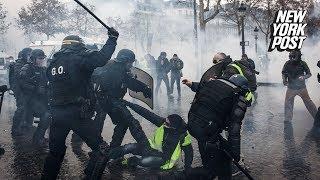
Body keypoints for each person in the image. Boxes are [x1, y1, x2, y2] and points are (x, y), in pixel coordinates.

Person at [42, 28, 118, 179]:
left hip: (57, 114)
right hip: (77, 113)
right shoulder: (79, 58)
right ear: (78, 45)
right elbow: (101, 58)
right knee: (102, 149)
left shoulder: (53, 63)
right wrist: (112, 39)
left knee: (55, 152)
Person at [182, 74, 250, 179]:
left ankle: (208, 168)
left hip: (192, 124)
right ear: (242, 89)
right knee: (223, 162)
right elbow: (234, 131)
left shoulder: (213, 83)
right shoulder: (237, 97)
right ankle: (185, 175)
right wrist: (235, 156)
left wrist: (191, 84)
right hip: (207, 131)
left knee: (212, 156)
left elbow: (200, 87)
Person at [92, 49, 152, 149]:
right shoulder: (116, 69)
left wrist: (143, 87)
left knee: (120, 122)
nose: (131, 65)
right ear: (124, 60)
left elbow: (128, 81)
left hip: (106, 99)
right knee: (125, 121)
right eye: (130, 62)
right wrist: (143, 88)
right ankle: (146, 149)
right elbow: (129, 82)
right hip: (106, 100)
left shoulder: (116, 67)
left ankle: (110, 149)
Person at [109, 100, 193, 170]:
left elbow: (189, 153)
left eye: (167, 123)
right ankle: (108, 155)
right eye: (165, 120)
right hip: (150, 148)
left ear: (173, 127)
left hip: (163, 158)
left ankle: (131, 161)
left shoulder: (183, 136)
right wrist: (130, 104)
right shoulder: (163, 123)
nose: (164, 123)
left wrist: (187, 168)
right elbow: (147, 114)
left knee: (143, 161)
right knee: (130, 147)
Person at [19, 49, 50, 145]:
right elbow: (22, 84)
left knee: (48, 116)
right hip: (29, 101)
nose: (41, 60)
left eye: (43, 58)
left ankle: (38, 138)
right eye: (39, 58)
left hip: (41, 100)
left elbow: (47, 82)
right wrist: (35, 88)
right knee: (44, 116)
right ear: (33, 59)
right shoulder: (26, 68)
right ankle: (27, 145)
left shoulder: (43, 69)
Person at [282, 50, 317, 123]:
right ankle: (288, 119)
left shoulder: (303, 63)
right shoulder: (287, 63)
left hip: (302, 88)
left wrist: (303, 77)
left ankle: (317, 118)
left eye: (293, 57)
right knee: (288, 103)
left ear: (298, 57)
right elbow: (284, 73)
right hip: (291, 88)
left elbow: (309, 74)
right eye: (290, 57)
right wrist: (284, 80)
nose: (291, 59)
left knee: (308, 102)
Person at [9, 48, 33, 135]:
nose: (30, 56)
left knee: (29, 106)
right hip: (19, 89)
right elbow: (20, 77)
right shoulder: (19, 63)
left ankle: (26, 125)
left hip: (26, 88)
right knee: (21, 107)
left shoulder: (27, 63)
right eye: (28, 54)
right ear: (24, 55)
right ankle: (15, 129)